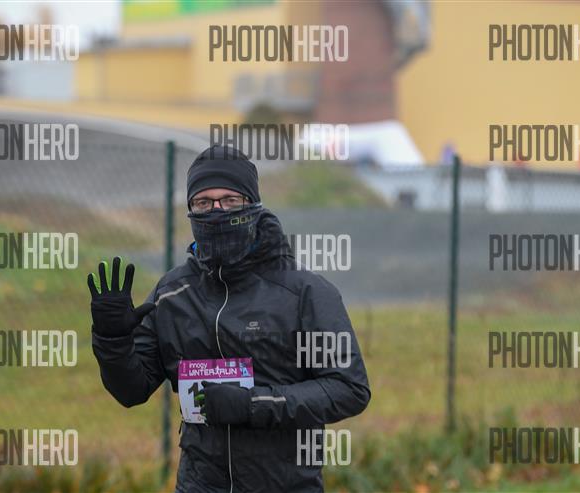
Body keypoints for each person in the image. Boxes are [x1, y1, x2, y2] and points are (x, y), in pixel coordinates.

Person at [88, 145, 370, 492]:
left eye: (230, 200)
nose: (216, 211)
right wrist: (113, 341)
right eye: (203, 203)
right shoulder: (172, 294)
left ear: (253, 205)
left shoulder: (304, 293)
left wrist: (253, 404)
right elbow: (131, 391)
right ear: (190, 210)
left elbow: (349, 389)